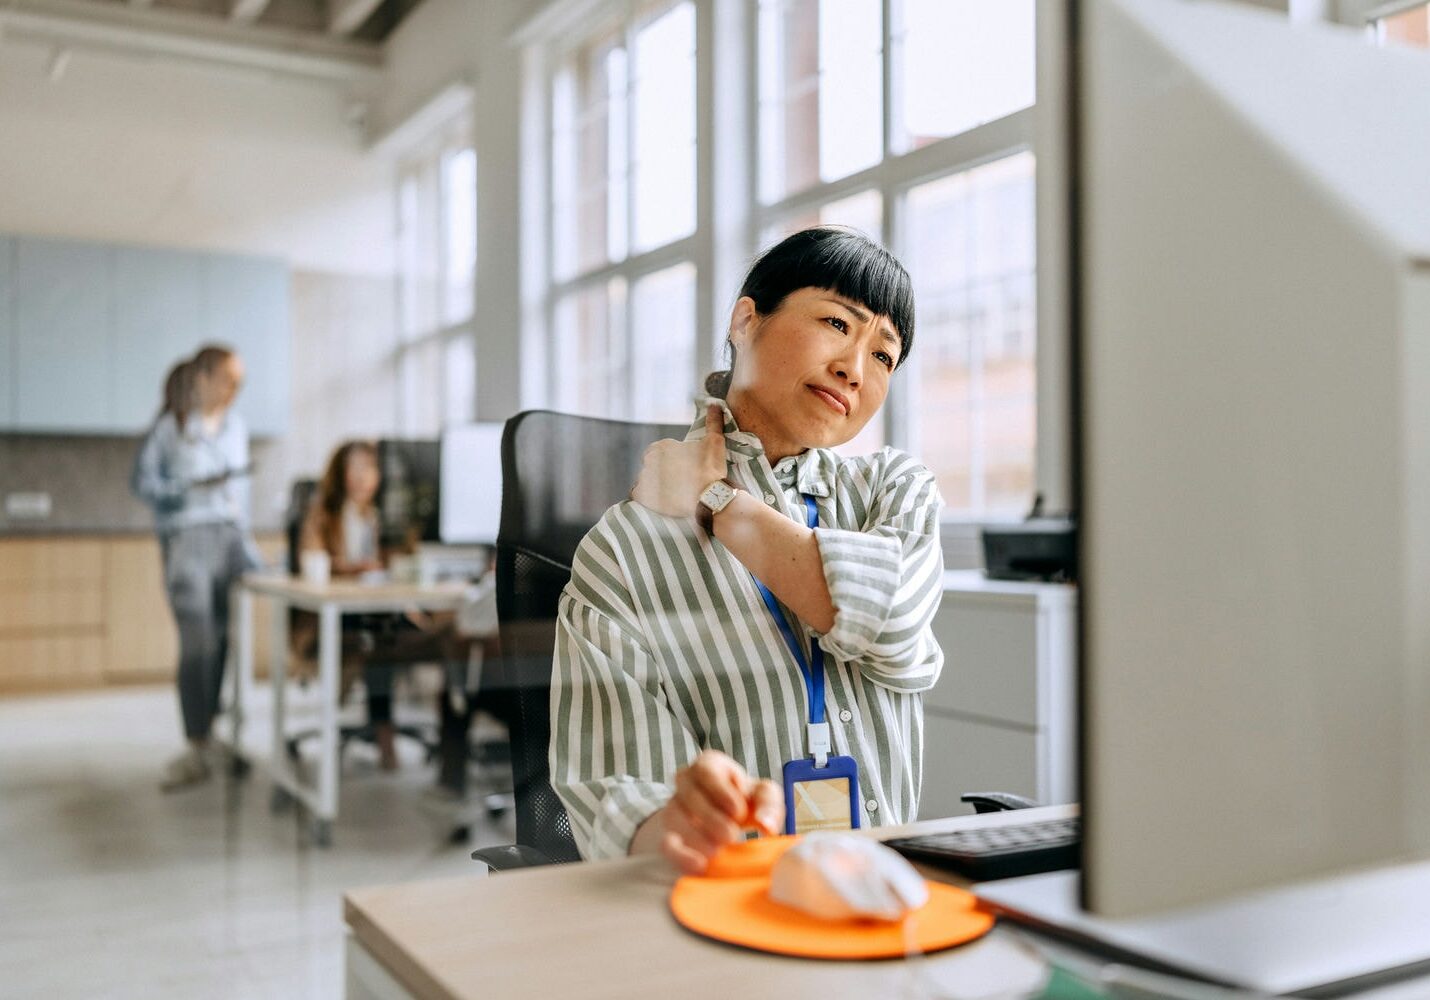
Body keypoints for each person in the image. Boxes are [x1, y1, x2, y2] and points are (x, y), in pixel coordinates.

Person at [550, 227, 943, 873]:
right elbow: (609, 785)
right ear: (745, 320)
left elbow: (891, 621)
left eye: (884, 356)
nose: (854, 366)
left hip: (877, 894)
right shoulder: (626, 545)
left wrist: (718, 501)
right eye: (837, 323)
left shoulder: (892, 491)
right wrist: (669, 823)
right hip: (724, 903)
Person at [132, 344, 263, 791]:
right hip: (187, 541)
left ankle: (209, 738)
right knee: (199, 642)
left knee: (224, 641)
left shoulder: (237, 428)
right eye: (228, 380)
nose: (234, 390)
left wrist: (247, 547)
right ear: (203, 377)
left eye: (239, 382)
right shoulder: (171, 428)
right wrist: (185, 487)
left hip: (229, 541)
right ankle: (195, 742)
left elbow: (239, 499)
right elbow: (143, 483)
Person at [296, 440, 408, 770]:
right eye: (354, 468)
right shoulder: (323, 514)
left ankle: (384, 727)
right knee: (379, 641)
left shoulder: (380, 517)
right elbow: (311, 560)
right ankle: (384, 731)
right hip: (332, 615)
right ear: (339, 474)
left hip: (376, 609)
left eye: (370, 468)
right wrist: (353, 568)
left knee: (389, 636)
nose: (362, 477)